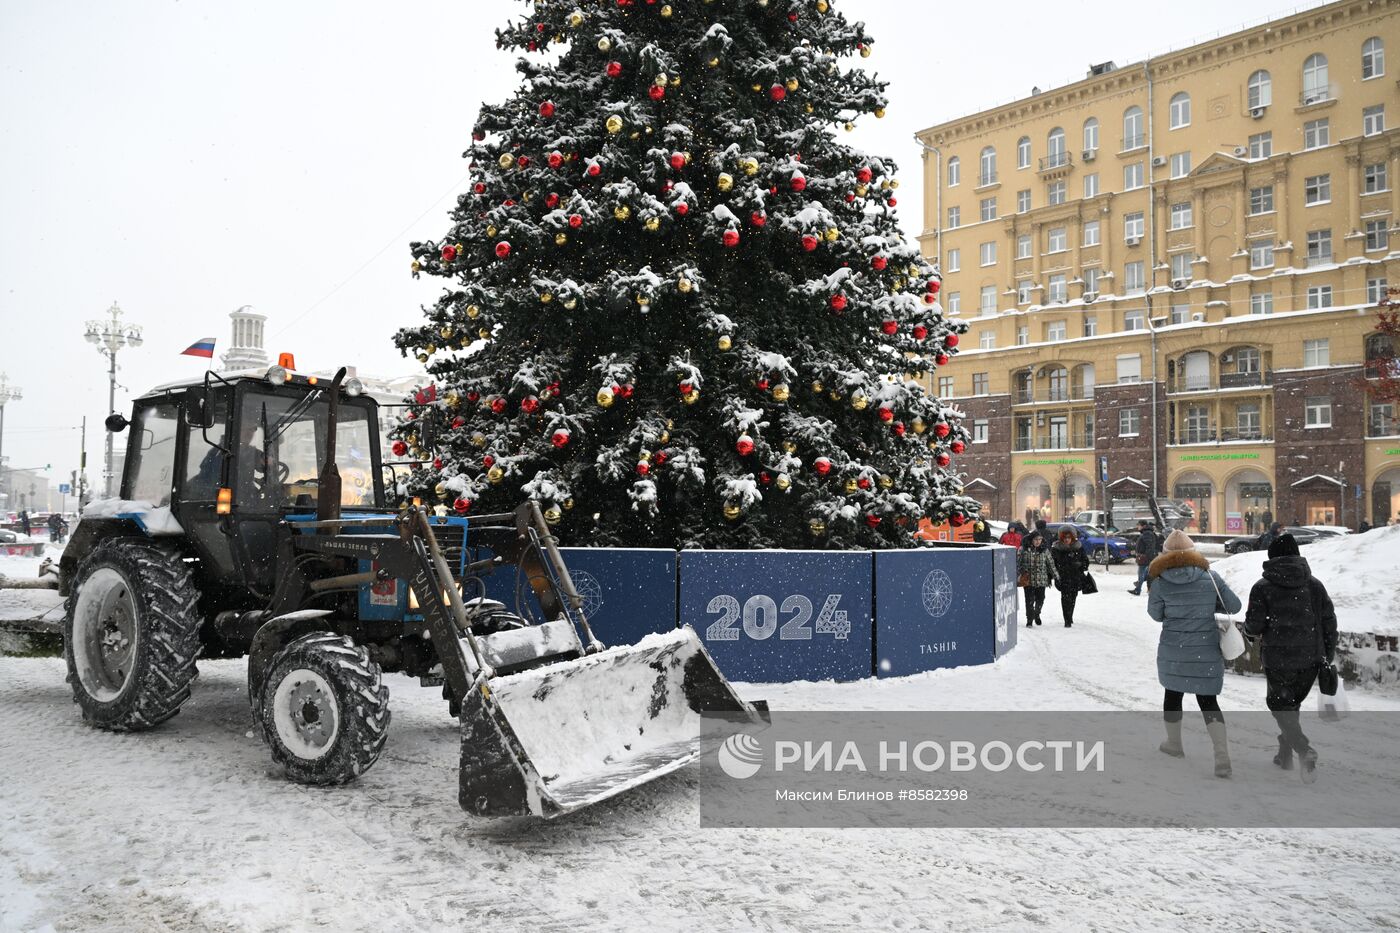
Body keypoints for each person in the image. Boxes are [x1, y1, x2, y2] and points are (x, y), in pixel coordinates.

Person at [1147, 529, 1242, 778]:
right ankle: (1222, 756)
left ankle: (1174, 744)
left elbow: (1156, 615)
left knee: (1172, 695)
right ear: (1193, 552)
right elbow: (1234, 605)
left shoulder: (1159, 581)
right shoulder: (1210, 577)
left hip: (1174, 649)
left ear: (1166, 554)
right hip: (1206, 650)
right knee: (1208, 701)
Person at [1243, 534, 1337, 782]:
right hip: (1310, 659)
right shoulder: (1314, 585)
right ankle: (1284, 755)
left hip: (1277, 658)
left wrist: (1250, 630)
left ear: (1272, 557)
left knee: (1280, 705)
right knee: (1290, 705)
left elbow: (1253, 626)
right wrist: (1328, 653)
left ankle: (1304, 750)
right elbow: (1329, 621)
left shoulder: (1262, 587)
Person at [1049, 527, 1090, 627]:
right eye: (1065, 537)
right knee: (1065, 598)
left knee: (1073, 597)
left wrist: (1080, 564)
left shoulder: (1078, 547)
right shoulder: (1056, 548)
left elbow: (1085, 561)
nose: (1067, 539)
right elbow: (1052, 564)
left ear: (1073, 538)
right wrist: (1054, 574)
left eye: (1069, 537)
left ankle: (1070, 616)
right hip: (1063, 577)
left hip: (1075, 577)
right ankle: (1067, 620)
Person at [1017, 531, 1056, 627]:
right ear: (1031, 539)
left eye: (1040, 539)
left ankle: (1037, 614)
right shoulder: (1023, 549)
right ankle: (1029, 620)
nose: (1038, 541)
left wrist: (1056, 576)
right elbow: (1017, 563)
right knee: (1029, 601)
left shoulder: (1045, 550)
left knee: (1040, 599)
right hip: (1028, 580)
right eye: (1035, 539)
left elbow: (1051, 564)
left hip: (1041, 579)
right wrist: (1021, 571)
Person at [1128, 520, 1160, 596]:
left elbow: (1149, 546)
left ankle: (1138, 590)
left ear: (1144, 526)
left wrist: (1147, 557)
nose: (1137, 526)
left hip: (1145, 557)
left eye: (1139, 525)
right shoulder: (1147, 533)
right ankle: (1145, 587)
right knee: (1146, 574)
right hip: (1146, 557)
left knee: (1141, 574)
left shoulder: (1147, 534)